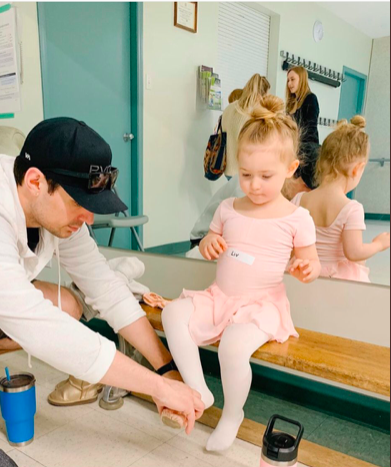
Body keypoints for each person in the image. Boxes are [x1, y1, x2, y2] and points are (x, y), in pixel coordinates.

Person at [0, 118, 204, 467]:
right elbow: (36, 327)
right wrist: (156, 388)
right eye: (79, 203)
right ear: (36, 182)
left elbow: (105, 287)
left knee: (67, 305)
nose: (88, 218)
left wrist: (165, 369)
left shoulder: (52, 212)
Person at [161, 96, 321, 451]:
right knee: (172, 313)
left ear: (291, 168)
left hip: (261, 304)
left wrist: (305, 267)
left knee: (232, 348)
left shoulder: (297, 218)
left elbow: (312, 264)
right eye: (246, 175)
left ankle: (233, 413)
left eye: (266, 176)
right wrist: (209, 244)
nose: (254, 184)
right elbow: (210, 239)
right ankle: (198, 388)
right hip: (220, 295)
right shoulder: (228, 207)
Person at [291, 116, 390, 282]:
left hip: (304, 275)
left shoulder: (299, 199)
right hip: (335, 280)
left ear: (321, 162)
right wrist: (378, 244)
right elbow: (354, 253)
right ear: (357, 169)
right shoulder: (351, 209)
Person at [222, 74, 270, 181]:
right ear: (261, 94)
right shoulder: (255, 112)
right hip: (245, 170)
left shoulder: (229, 108)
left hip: (227, 167)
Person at [284, 66, 320, 197]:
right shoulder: (291, 103)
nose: (289, 84)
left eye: (292, 79)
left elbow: (309, 129)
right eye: (288, 80)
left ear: (302, 79)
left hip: (307, 155)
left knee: (305, 193)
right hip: (295, 152)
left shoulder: (310, 99)